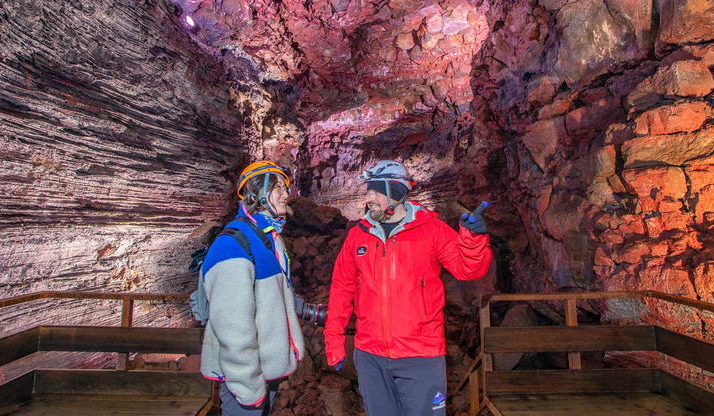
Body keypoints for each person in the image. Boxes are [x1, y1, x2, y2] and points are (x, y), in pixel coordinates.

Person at [324, 160, 493, 416]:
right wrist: (334, 342)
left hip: (421, 355)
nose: (369, 198)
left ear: (397, 192)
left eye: (376, 191)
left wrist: (473, 240)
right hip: (370, 356)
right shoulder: (358, 236)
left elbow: (468, 269)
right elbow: (341, 291)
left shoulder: (432, 230)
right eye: (369, 191)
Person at [199, 161, 305, 415]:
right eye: (277, 187)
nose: (286, 194)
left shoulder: (268, 238)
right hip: (246, 382)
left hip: (263, 371)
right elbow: (233, 329)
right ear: (255, 194)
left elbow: (274, 298)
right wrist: (247, 387)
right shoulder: (234, 244)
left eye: (285, 187)